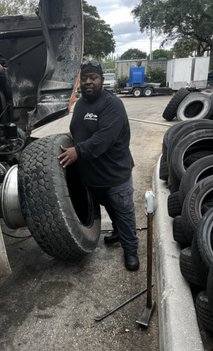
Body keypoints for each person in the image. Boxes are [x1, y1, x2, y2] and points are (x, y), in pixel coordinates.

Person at [58, 60, 139, 271]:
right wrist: (68, 138)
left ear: (102, 80)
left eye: (93, 78)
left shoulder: (112, 105)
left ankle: (131, 250)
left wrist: (78, 151)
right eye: (84, 78)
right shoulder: (81, 104)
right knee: (110, 207)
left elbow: (104, 138)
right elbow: (78, 130)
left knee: (124, 211)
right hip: (93, 176)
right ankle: (118, 232)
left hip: (114, 174)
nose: (88, 82)